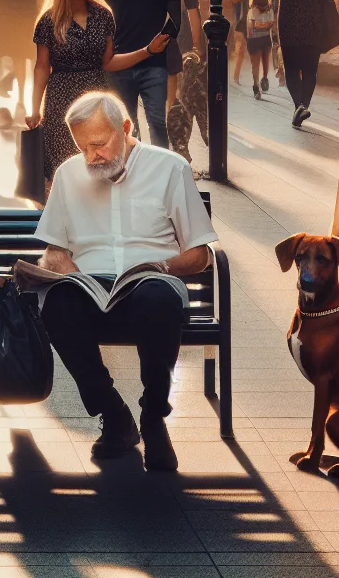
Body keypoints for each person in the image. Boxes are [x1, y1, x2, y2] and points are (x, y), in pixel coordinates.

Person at [34, 92, 215, 472]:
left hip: (151, 282)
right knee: (57, 304)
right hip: (90, 286)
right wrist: (70, 274)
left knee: (157, 299)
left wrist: (160, 265)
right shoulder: (68, 175)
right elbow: (53, 251)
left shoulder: (170, 168)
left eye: (99, 144)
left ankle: (153, 416)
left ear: (126, 128)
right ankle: (114, 414)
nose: (91, 157)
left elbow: (200, 254)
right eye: (83, 147)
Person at [26, 0, 168, 182]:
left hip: (97, 98)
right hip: (61, 99)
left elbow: (109, 62)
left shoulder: (103, 16)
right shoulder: (49, 21)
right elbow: (42, 67)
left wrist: (148, 51)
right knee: (64, 166)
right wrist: (35, 109)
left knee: (100, 160)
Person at [99, 0, 181, 148]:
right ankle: (150, 167)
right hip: (141, 63)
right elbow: (175, 21)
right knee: (144, 124)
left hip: (128, 61)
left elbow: (101, 16)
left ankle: (141, 166)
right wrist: (160, 43)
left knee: (137, 124)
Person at [264, 0, 332, 128]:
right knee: (310, 69)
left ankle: (298, 106)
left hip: (289, 19)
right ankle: (304, 105)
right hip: (312, 18)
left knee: (292, 68)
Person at [243, 0, 275, 97]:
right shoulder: (257, 11)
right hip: (259, 39)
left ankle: (260, 82)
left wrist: (259, 26)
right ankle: (260, 83)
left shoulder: (259, 11)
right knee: (260, 62)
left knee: (260, 62)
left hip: (259, 39)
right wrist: (264, 26)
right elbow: (268, 25)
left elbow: (252, 28)